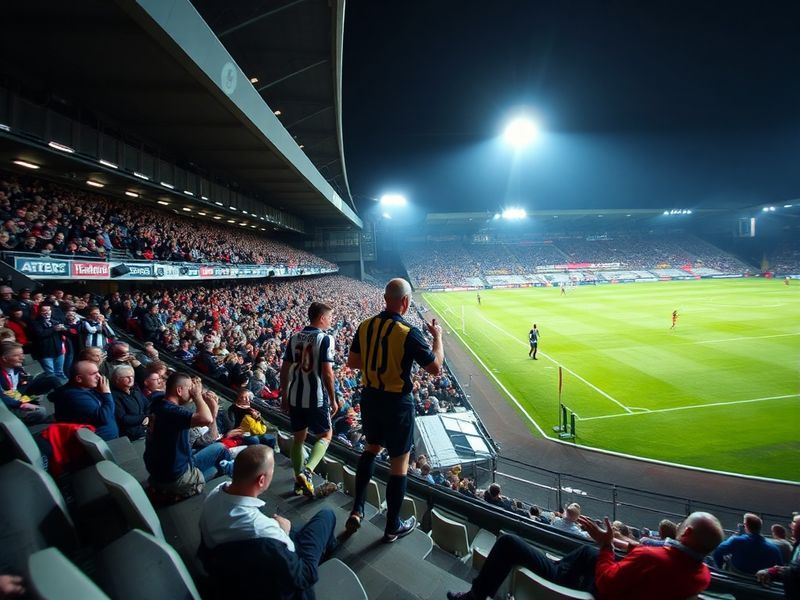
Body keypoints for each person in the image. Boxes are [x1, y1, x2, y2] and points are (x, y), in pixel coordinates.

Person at [345, 278, 443, 543]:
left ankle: (357, 508)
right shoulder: (408, 332)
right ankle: (392, 526)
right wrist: (438, 338)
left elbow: (353, 362)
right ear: (406, 301)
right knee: (399, 462)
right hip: (397, 402)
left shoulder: (365, 325)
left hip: (369, 397)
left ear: (385, 298)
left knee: (371, 448)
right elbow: (435, 368)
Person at [447, 512, 725, 600]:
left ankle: (474, 598)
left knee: (508, 542)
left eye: (682, 526)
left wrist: (607, 547)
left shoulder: (654, 561)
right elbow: (656, 554)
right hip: (628, 587)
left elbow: (606, 582)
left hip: (592, 589)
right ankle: (562, 564)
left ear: (686, 534)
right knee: (588, 551)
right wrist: (614, 543)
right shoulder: (701, 575)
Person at [198, 446, 337, 599]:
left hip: (231, 564)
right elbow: (303, 575)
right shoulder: (263, 532)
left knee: (305, 528)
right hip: (272, 572)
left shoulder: (214, 493)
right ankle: (329, 548)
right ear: (262, 480)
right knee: (327, 515)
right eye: (272, 470)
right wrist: (283, 531)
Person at [280, 301, 338, 497]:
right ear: (322, 318)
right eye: (330, 317)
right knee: (326, 436)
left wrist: (284, 395)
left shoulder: (294, 337)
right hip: (316, 398)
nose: (331, 321)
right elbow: (327, 373)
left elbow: (285, 369)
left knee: (298, 439)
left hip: (295, 396)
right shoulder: (325, 339)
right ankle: (308, 470)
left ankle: (299, 482)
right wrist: (333, 398)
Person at [143, 372, 232, 500]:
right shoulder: (172, 412)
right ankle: (226, 492)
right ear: (179, 391)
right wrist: (198, 396)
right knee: (219, 458)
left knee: (219, 448)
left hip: (159, 471)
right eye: (189, 389)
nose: (192, 391)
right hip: (175, 478)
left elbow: (173, 387)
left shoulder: (157, 402)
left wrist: (194, 389)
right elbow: (206, 418)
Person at [50, 360, 118, 440]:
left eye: (98, 372)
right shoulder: (74, 396)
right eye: (93, 374)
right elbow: (104, 417)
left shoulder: (88, 387)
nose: (99, 376)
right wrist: (106, 393)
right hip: (95, 444)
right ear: (79, 378)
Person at [0, 341, 53, 424]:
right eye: (17, 355)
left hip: (16, 396)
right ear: (4, 358)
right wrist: (21, 404)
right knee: (41, 411)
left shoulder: (17, 367)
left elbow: (23, 384)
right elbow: (3, 398)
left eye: (22, 354)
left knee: (51, 379)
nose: (22, 358)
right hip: (7, 405)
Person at [712, 513, 783, 574]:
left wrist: (720, 568)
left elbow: (717, 551)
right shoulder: (774, 548)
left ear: (746, 526)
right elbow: (779, 568)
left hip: (734, 577)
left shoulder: (736, 540)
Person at [756, 514, 800, 598]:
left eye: (794, 522)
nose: (791, 525)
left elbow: (795, 570)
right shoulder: (796, 545)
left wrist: (775, 570)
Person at [110, 364, 149, 441]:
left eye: (132, 376)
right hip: (132, 436)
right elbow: (124, 419)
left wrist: (148, 416)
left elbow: (148, 406)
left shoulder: (135, 391)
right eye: (127, 377)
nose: (131, 379)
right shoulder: (114, 396)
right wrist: (143, 417)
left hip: (145, 429)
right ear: (117, 379)